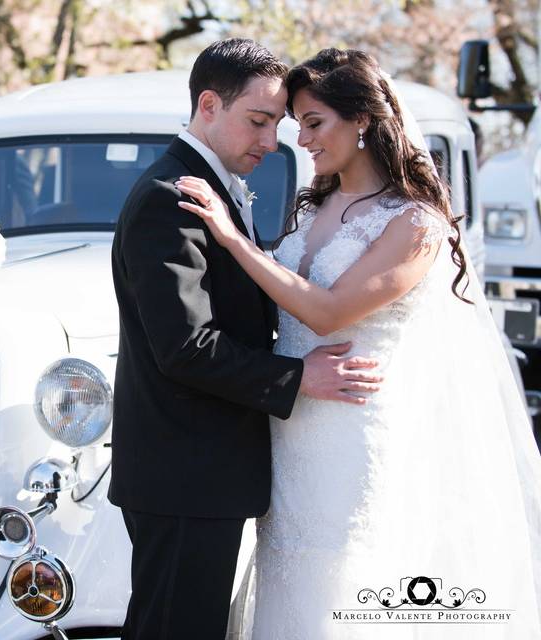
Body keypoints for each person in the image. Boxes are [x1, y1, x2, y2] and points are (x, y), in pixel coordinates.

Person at [177, 48, 541, 638]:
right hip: (291, 438)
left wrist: (231, 237)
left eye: (314, 124)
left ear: (364, 119)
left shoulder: (416, 224)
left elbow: (328, 312)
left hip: (353, 432)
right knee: (290, 579)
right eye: (295, 126)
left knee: (342, 583)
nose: (302, 142)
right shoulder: (314, 206)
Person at [108, 39, 383, 638]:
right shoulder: (171, 199)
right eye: (257, 122)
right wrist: (298, 378)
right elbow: (186, 347)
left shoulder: (213, 187)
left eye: (277, 125)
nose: (270, 141)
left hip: (206, 470)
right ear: (209, 104)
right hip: (185, 471)